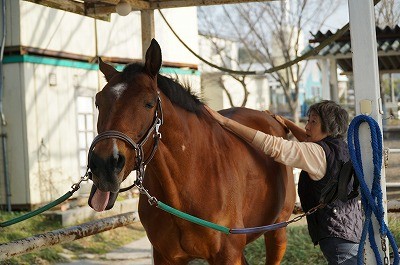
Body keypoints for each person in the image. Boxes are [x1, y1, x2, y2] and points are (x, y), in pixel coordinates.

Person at [205, 100, 362, 265]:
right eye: (308, 120)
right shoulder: (341, 148)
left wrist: (226, 122)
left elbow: (273, 145)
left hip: (338, 240)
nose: (307, 126)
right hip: (351, 231)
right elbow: (308, 141)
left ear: (328, 127)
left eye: (313, 121)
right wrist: (286, 123)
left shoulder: (317, 153)